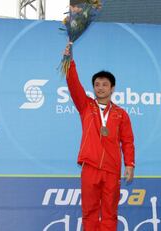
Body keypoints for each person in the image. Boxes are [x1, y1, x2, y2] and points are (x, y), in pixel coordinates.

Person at [64, 44, 135, 231]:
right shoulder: (86, 106)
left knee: (110, 213)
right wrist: (69, 61)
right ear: (93, 88)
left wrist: (129, 165)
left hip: (112, 169)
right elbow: (73, 85)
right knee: (89, 212)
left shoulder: (121, 114)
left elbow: (127, 141)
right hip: (90, 167)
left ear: (113, 88)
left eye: (105, 84)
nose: (100, 88)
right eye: (97, 84)